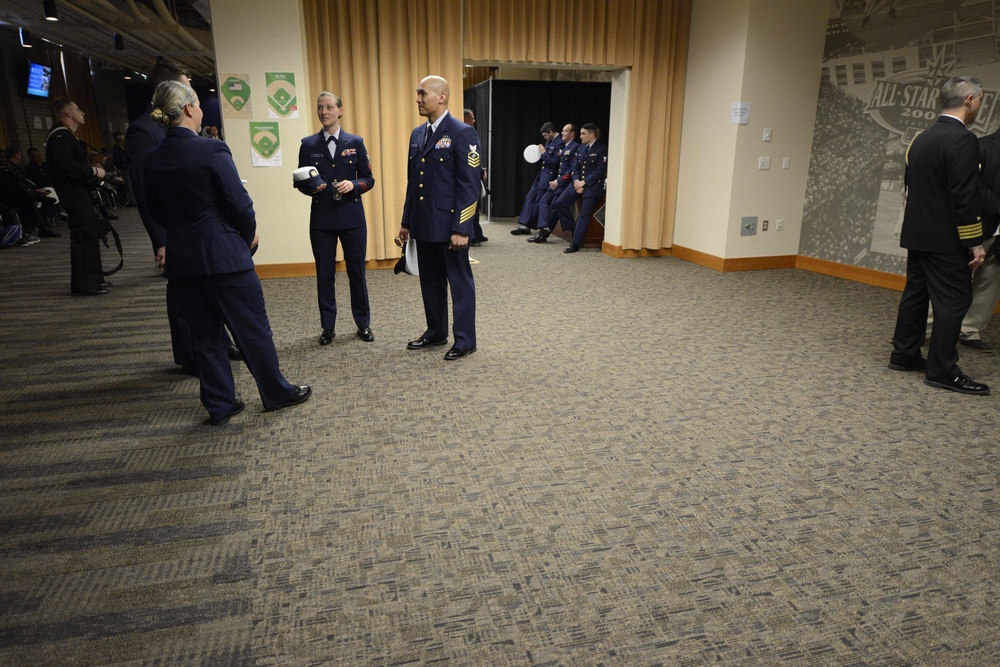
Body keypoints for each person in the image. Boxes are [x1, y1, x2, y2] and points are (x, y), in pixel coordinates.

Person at [143, 80, 311, 425]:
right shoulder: (211, 150)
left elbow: (156, 213)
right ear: (189, 108)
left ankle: (220, 405)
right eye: (199, 105)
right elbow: (239, 203)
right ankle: (276, 393)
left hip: (183, 262)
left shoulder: (152, 159)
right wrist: (248, 236)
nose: (202, 110)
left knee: (204, 336)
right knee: (251, 330)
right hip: (224, 258)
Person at [127, 58, 240, 374]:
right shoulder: (143, 132)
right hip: (176, 235)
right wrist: (160, 241)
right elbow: (144, 192)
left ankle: (219, 346)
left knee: (206, 299)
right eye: (187, 87)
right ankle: (190, 357)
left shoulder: (193, 138)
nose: (193, 95)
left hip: (203, 232)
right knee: (183, 301)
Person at [888, 75, 989, 395]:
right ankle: (943, 370)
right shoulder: (963, 140)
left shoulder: (921, 137)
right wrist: (974, 242)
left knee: (916, 296)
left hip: (918, 234)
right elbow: (964, 196)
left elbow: (911, 187)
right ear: (969, 100)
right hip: (946, 239)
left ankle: (904, 354)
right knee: (955, 300)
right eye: (980, 100)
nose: (979, 106)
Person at [399, 76, 481, 360]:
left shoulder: (462, 133)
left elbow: (470, 187)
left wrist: (462, 228)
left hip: (450, 228)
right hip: (424, 225)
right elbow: (414, 183)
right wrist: (407, 222)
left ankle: (465, 339)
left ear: (442, 96)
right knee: (430, 283)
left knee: (459, 283)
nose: (418, 99)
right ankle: (436, 331)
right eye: (417, 93)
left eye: (423, 93)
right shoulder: (417, 134)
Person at [297, 92, 376, 345]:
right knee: (324, 275)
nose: (324, 112)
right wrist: (313, 188)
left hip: (352, 218)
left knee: (357, 274)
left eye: (329, 107)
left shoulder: (356, 142)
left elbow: (368, 179)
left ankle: (363, 324)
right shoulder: (308, 144)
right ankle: (328, 327)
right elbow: (299, 181)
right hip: (322, 220)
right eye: (320, 107)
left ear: (340, 111)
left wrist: (353, 185)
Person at [46, 99, 108, 296]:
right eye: (78, 109)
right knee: (83, 236)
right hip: (72, 193)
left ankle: (95, 279)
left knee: (90, 233)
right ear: (67, 113)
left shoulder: (67, 136)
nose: (82, 112)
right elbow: (64, 164)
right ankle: (84, 284)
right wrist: (92, 171)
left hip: (79, 192)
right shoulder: (60, 137)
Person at [553, 122, 608, 253]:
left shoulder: (602, 149)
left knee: (584, 214)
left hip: (593, 186)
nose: (581, 136)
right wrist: (577, 181)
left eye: (583, 134)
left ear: (592, 135)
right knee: (560, 203)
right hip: (577, 183)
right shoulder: (580, 149)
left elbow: (600, 171)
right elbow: (575, 167)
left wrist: (584, 183)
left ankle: (575, 243)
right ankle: (574, 229)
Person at [528, 123, 580, 243]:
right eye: (562, 131)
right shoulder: (566, 146)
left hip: (565, 184)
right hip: (558, 183)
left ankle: (573, 232)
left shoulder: (575, 147)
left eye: (565, 131)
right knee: (544, 201)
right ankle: (544, 229)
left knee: (555, 206)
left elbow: (573, 169)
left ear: (572, 133)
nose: (562, 133)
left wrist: (559, 181)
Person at [511, 121, 561, 235]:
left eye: (545, 135)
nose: (544, 138)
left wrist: (543, 153)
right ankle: (524, 224)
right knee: (530, 197)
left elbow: (555, 162)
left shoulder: (560, 143)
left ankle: (532, 225)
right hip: (542, 175)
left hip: (550, 176)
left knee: (539, 200)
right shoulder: (550, 141)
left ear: (551, 131)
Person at [463, 108, 488, 246]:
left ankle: (477, 234)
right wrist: (479, 172)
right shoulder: (467, 132)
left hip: (472, 175)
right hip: (469, 178)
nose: (474, 120)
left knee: (476, 210)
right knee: (471, 208)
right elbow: (470, 156)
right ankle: (471, 237)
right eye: (472, 118)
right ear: (466, 119)